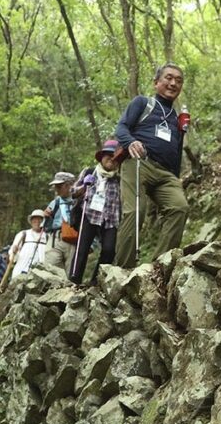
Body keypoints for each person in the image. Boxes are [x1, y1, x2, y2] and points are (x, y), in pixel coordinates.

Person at [113, 63, 190, 269]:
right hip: (139, 162)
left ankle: (160, 268)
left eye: (178, 80)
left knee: (179, 207)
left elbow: (177, 150)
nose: (173, 83)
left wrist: (176, 177)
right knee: (135, 211)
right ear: (156, 83)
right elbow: (121, 127)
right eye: (168, 78)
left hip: (166, 173)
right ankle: (123, 270)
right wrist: (130, 142)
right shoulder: (143, 103)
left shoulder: (177, 119)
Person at [69, 139, 123, 284]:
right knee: (82, 249)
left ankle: (95, 282)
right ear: (102, 157)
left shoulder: (120, 178)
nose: (111, 159)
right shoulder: (90, 172)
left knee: (109, 250)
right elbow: (73, 192)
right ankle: (74, 281)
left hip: (110, 219)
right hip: (89, 214)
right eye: (108, 155)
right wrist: (84, 186)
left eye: (114, 156)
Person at [43, 171, 77, 275]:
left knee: (70, 274)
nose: (57, 190)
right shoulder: (55, 202)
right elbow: (46, 228)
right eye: (55, 187)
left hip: (74, 241)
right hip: (55, 239)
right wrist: (47, 217)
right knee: (49, 270)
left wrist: (92, 245)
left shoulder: (80, 201)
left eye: (59, 186)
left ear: (69, 185)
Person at [10, 210, 50, 279]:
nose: (37, 222)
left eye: (40, 220)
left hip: (39, 275)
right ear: (31, 221)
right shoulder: (23, 234)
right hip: (20, 272)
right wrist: (14, 252)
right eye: (34, 220)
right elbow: (12, 257)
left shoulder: (47, 237)